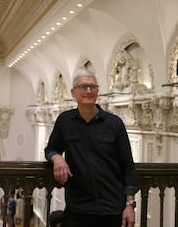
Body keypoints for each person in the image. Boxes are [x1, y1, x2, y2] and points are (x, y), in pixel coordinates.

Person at [45, 69, 138, 227]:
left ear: (97, 91)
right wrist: (57, 158)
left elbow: (127, 166)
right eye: (83, 87)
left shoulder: (114, 123)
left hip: (112, 208)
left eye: (92, 87)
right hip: (78, 207)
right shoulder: (65, 121)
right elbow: (51, 148)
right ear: (73, 92)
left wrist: (130, 205)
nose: (88, 91)